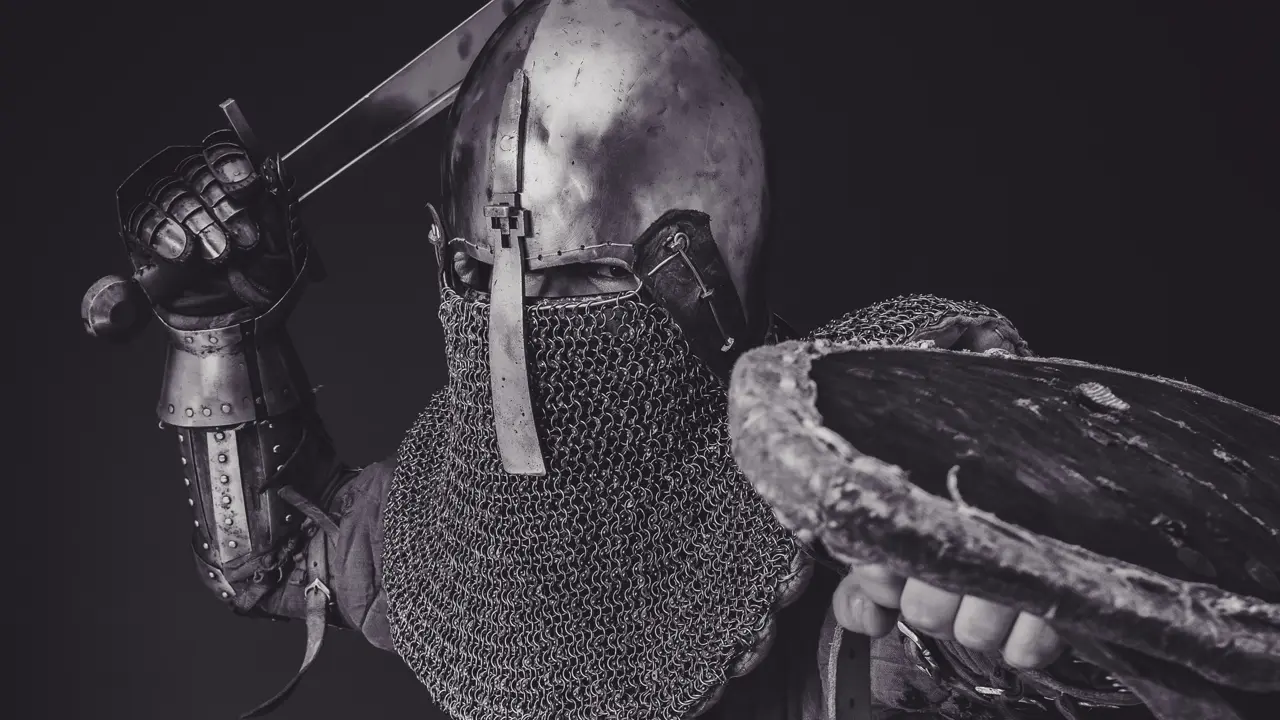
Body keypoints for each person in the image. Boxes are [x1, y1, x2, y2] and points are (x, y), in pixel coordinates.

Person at [83, 1, 1148, 718]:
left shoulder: (877, 469)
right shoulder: (453, 537)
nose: (517, 342)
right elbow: (265, 558)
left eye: (580, 283)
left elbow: (1081, 652)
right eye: (477, 274)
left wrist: (989, 641)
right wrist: (224, 330)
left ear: (703, 277)